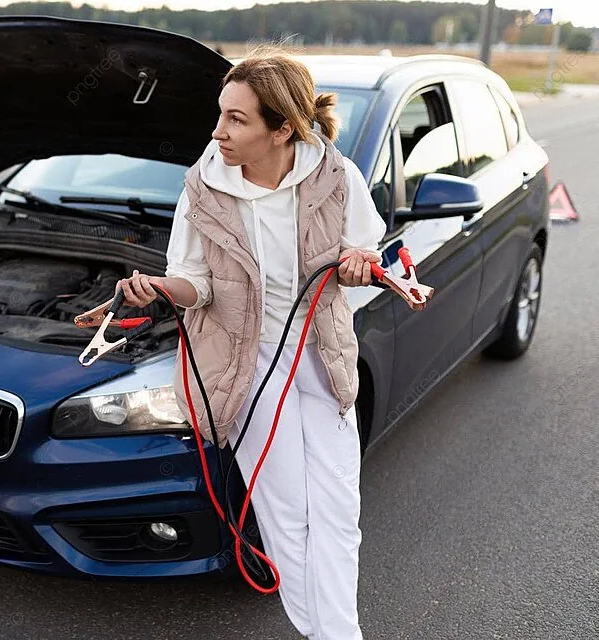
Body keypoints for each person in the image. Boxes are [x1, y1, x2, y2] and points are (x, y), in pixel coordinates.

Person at [115, 45, 388, 639]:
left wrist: (358, 267)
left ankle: (340, 633)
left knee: (339, 510)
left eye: (236, 119)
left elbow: (365, 253)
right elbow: (198, 283)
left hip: (322, 355)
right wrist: (160, 288)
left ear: (283, 127)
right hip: (247, 362)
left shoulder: (337, 178)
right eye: (220, 114)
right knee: (285, 512)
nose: (218, 132)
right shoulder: (203, 190)